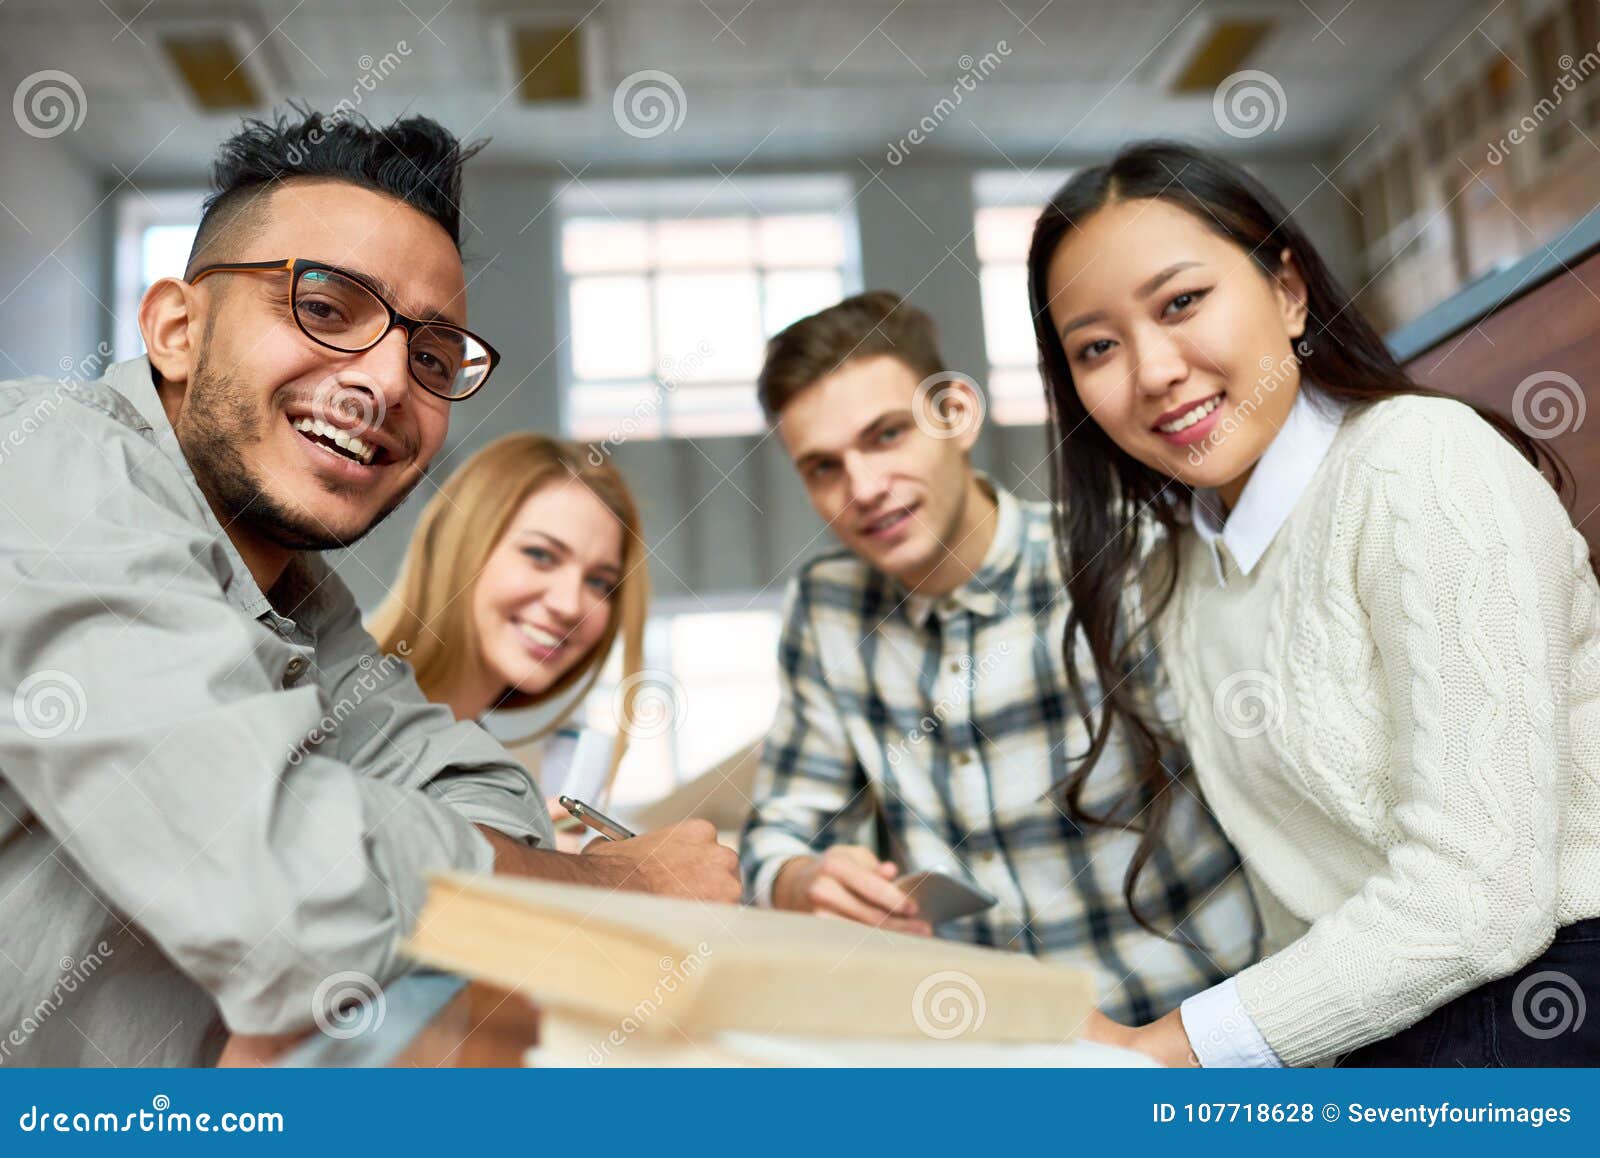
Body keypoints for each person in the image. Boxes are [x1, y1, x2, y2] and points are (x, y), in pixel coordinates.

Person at [0, 109, 738, 1068]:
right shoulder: (47, 467)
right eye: (327, 306)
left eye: (432, 357)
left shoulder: (304, 601)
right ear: (176, 329)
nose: (386, 381)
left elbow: (483, 791)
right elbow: (281, 901)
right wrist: (621, 885)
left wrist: (428, 869)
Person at [1029, 140, 1600, 1066]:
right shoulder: (1180, 570)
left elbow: (1480, 900)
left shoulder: (1419, 462)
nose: (1154, 370)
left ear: (1289, 291)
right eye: (1097, 347)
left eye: (1181, 303)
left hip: (1549, 998)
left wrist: (1160, 1052)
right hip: (1384, 1027)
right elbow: (1298, 910)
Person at [739, 290, 1260, 1024]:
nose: (863, 488)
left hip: (1187, 1047)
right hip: (984, 1055)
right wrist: (801, 879)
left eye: (886, 436)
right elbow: (779, 832)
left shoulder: (1119, 560)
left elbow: (1272, 805)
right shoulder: (828, 609)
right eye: (824, 467)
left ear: (953, 414)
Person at [369, 433, 648, 809]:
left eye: (599, 582)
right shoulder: (340, 709)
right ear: (461, 546)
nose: (569, 605)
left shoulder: (480, 767)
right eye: (540, 554)